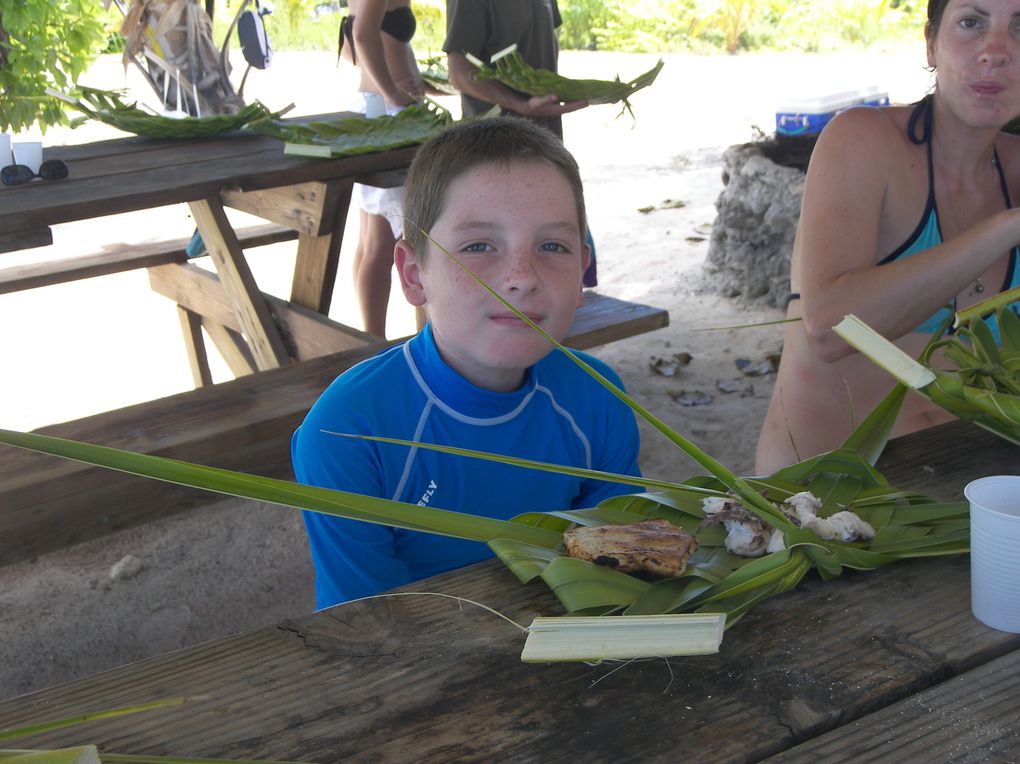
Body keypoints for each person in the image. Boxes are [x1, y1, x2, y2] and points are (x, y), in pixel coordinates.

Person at [291, 116, 642, 608]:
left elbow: (609, 566)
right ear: (414, 275)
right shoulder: (347, 433)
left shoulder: (599, 399)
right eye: (479, 246)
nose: (521, 277)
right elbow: (366, 619)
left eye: (552, 246)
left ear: (583, 270)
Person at [755, 0, 1020, 475]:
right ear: (931, 43)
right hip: (822, 507)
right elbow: (831, 329)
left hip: (968, 496)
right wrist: (1006, 226)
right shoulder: (863, 141)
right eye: (972, 23)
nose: (996, 50)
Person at [443, 0, 601, 287]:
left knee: (557, 265)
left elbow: (547, 42)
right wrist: (520, 104)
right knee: (504, 272)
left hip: (545, 143)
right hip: (494, 150)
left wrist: (556, 90)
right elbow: (459, 70)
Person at [338, 0, 425, 337]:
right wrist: (392, 91)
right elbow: (360, 35)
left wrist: (404, 80)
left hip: (378, 110)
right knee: (394, 239)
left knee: (374, 240)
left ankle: (372, 340)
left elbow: (352, 40)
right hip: (386, 114)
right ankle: (376, 342)